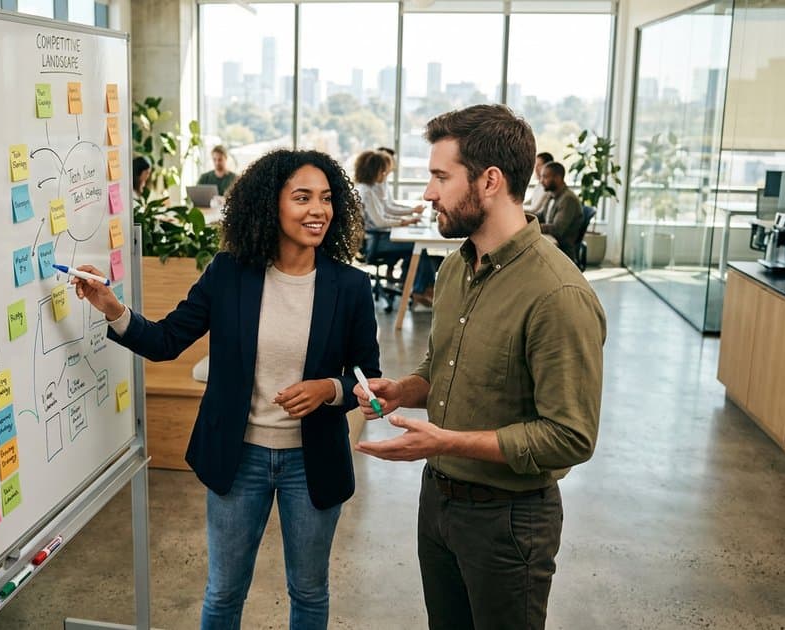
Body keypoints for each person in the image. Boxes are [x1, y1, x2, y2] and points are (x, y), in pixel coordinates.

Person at [72, 149, 381, 629]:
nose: (317, 210)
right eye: (302, 198)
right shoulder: (229, 273)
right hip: (240, 459)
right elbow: (166, 341)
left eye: (325, 199)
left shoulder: (351, 287)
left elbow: (367, 376)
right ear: (269, 205)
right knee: (223, 592)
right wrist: (113, 307)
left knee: (309, 590)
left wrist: (328, 389)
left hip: (313, 460)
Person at [352, 105, 606, 630]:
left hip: (509, 520)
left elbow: (570, 436)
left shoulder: (557, 293)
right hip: (439, 502)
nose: (428, 193)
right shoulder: (454, 269)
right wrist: (404, 389)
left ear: (490, 181)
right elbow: (442, 366)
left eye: (441, 177)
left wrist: (444, 441)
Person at [354, 150, 435, 305]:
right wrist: (404, 222)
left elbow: (384, 212)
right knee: (417, 246)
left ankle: (412, 287)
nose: (385, 175)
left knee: (414, 251)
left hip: (376, 237)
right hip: (374, 242)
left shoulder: (368, 188)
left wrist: (407, 218)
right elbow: (379, 222)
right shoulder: (366, 192)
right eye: (382, 171)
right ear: (373, 171)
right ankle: (422, 290)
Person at [538, 161, 584, 260]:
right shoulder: (552, 194)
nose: (541, 181)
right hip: (551, 244)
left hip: (563, 253)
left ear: (558, 178)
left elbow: (557, 229)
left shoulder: (568, 199)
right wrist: (522, 217)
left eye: (545, 177)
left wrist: (533, 226)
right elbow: (541, 216)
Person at [526, 151, 554, 217]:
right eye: (535, 165)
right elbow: (531, 201)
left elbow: (534, 209)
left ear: (547, 167)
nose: (535, 168)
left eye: (538, 165)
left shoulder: (548, 187)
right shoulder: (539, 184)